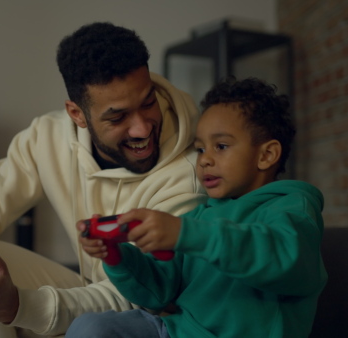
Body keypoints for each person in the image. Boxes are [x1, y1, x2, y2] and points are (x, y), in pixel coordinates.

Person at [0, 22, 205, 337]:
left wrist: (19, 306)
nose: (142, 128)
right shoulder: (48, 136)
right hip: (93, 294)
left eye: (148, 102)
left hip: (155, 319)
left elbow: (140, 297)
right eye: (118, 117)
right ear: (77, 114)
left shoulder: (191, 172)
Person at [67, 77, 328, 338]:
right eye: (200, 149)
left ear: (266, 155)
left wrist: (185, 233)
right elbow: (157, 292)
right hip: (176, 331)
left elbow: (282, 257)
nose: (204, 160)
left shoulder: (292, 206)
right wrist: (116, 255)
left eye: (221, 146)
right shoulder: (201, 215)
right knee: (90, 327)